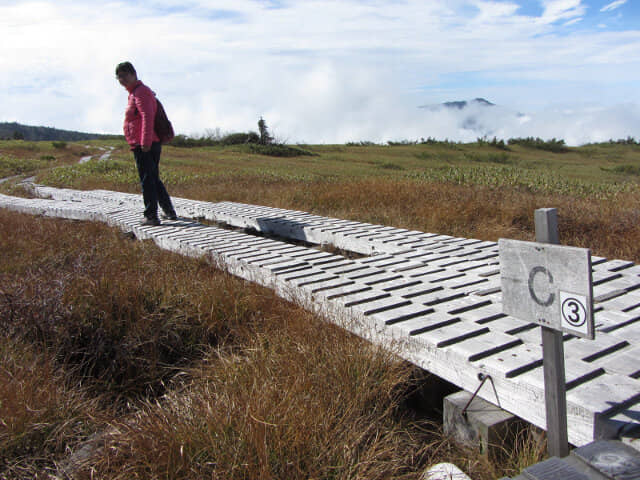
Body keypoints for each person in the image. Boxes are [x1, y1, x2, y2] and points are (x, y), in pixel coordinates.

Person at [116, 61, 177, 226]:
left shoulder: (141, 92)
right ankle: (169, 211)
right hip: (144, 143)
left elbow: (147, 117)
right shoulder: (134, 93)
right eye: (119, 77)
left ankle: (151, 216)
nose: (122, 79)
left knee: (147, 180)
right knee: (153, 178)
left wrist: (145, 142)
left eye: (124, 75)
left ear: (133, 73)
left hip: (145, 144)